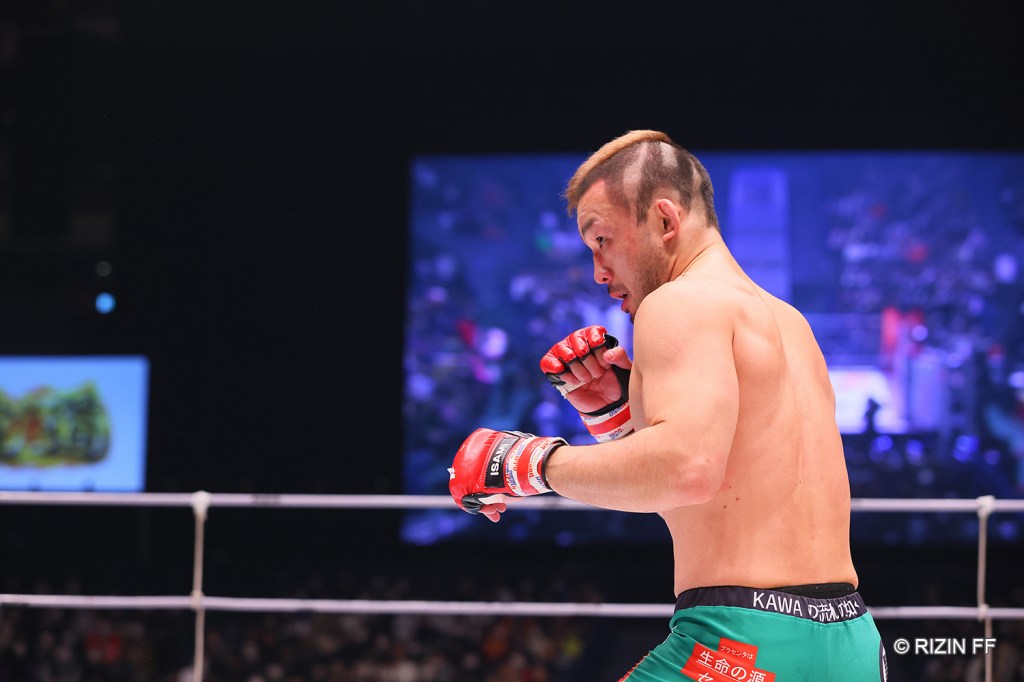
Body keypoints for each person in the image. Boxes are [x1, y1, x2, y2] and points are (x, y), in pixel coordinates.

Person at [447, 130, 887, 680]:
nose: (598, 272)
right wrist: (618, 422)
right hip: (850, 641)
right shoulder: (788, 322)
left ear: (664, 221)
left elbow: (686, 471)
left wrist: (523, 463)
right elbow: (719, 497)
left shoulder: (677, 303)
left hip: (743, 642)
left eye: (602, 240)